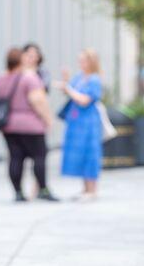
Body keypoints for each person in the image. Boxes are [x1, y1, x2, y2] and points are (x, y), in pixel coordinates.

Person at [0, 47, 58, 202]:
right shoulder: (29, 78)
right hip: (31, 125)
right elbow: (38, 101)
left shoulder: (1, 79)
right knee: (39, 156)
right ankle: (43, 189)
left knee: (15, 158)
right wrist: (48, 120)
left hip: (9, 125)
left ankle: (18, 192)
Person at [56, 49, 103, 201]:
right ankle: (85, 189)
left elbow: (84, 100)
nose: (81, 63)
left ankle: (92, 190)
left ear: (91, 62)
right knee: (80, 154)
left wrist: (68, 89)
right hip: (76, 122)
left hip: (88, 123)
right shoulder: (79, 77)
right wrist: (65, 81)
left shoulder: (94, 80)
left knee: (90, 154)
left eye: (83, 60)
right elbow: (69, 91)